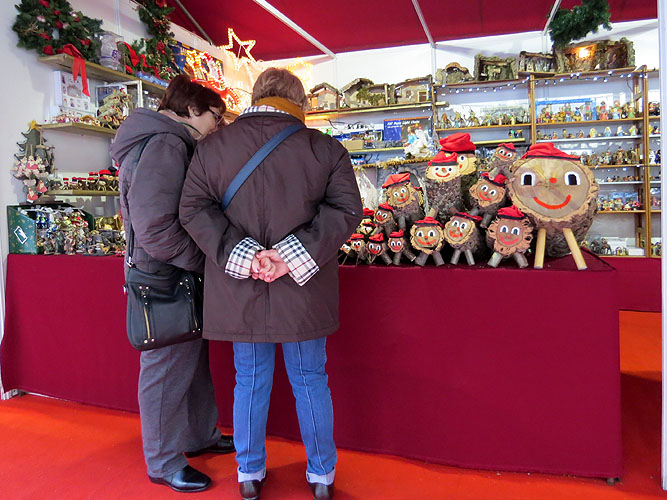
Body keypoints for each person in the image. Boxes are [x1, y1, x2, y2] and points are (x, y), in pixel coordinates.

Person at [179, 67, 362, 500]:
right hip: (303, 286)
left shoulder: (213, 146)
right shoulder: (324, 147)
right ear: (299, 102)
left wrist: (244, 255)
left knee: (250, 379)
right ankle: (321, 475)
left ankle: (249, 472)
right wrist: (290, 256)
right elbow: (346, 209)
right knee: (310, 378)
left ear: (256, 96)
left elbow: (193, 209)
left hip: (240, 285)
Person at [110, 75, 234, 493]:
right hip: (164, 273)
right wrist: (204, 262)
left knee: (190, 360)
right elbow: (156, 228)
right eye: (215, 116)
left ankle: (199, 435)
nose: (217, 126)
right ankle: (163, 462)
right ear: (192, 110)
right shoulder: (166, 143)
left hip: (168, 270)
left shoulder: (161, 139)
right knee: (165, 369)